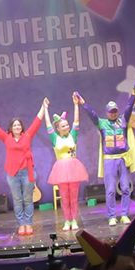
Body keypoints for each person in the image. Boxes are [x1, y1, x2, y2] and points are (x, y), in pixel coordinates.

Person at [0, 99, 48, 237]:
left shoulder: (27, 136)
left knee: (27, 199)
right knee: (17, 200)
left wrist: (43, 106)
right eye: (14, 125)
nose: (17, 127)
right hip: (12, 174)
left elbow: (37, 121)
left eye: (19, 125)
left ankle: (28, 223)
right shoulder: (6, 138)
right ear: (11, 128)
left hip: (27, 172)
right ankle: (21, 224)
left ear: (22, 127)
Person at [94, 97, 135, 221]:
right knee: (110, 190)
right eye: (111, 111)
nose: (113, 113)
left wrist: (134, 93)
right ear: (107, 112)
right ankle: (112, 216)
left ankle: (124, 214)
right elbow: (92, 115)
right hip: (109, 160)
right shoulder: (102, 123)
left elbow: (129, 106)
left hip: (123, 159)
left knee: (125, 188)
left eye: (115, 111)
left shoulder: (123, 120)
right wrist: (83, 104)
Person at [47, 96, 91, 229]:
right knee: (65, 197)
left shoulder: (73, 135)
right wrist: (45, 109)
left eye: (67, 124)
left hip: (74, 169)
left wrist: (76, 105)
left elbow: (76, 121)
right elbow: (48, 125)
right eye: (63, 125)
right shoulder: (55, 138)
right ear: (58, 128)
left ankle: (74, 220)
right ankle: (67, 220)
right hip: (61, 170)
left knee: (74, 197)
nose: (66, 126)